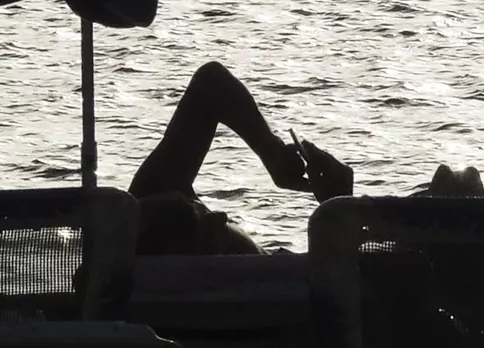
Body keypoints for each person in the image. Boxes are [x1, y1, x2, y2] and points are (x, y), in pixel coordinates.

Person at [126, 60, 355, 255]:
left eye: (195, 203)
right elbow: (349, 276)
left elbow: (212, 83)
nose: (218, 215)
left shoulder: (146, 212)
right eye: (199, 216)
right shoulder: (277, 282)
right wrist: (340, 206)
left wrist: (273, 153)